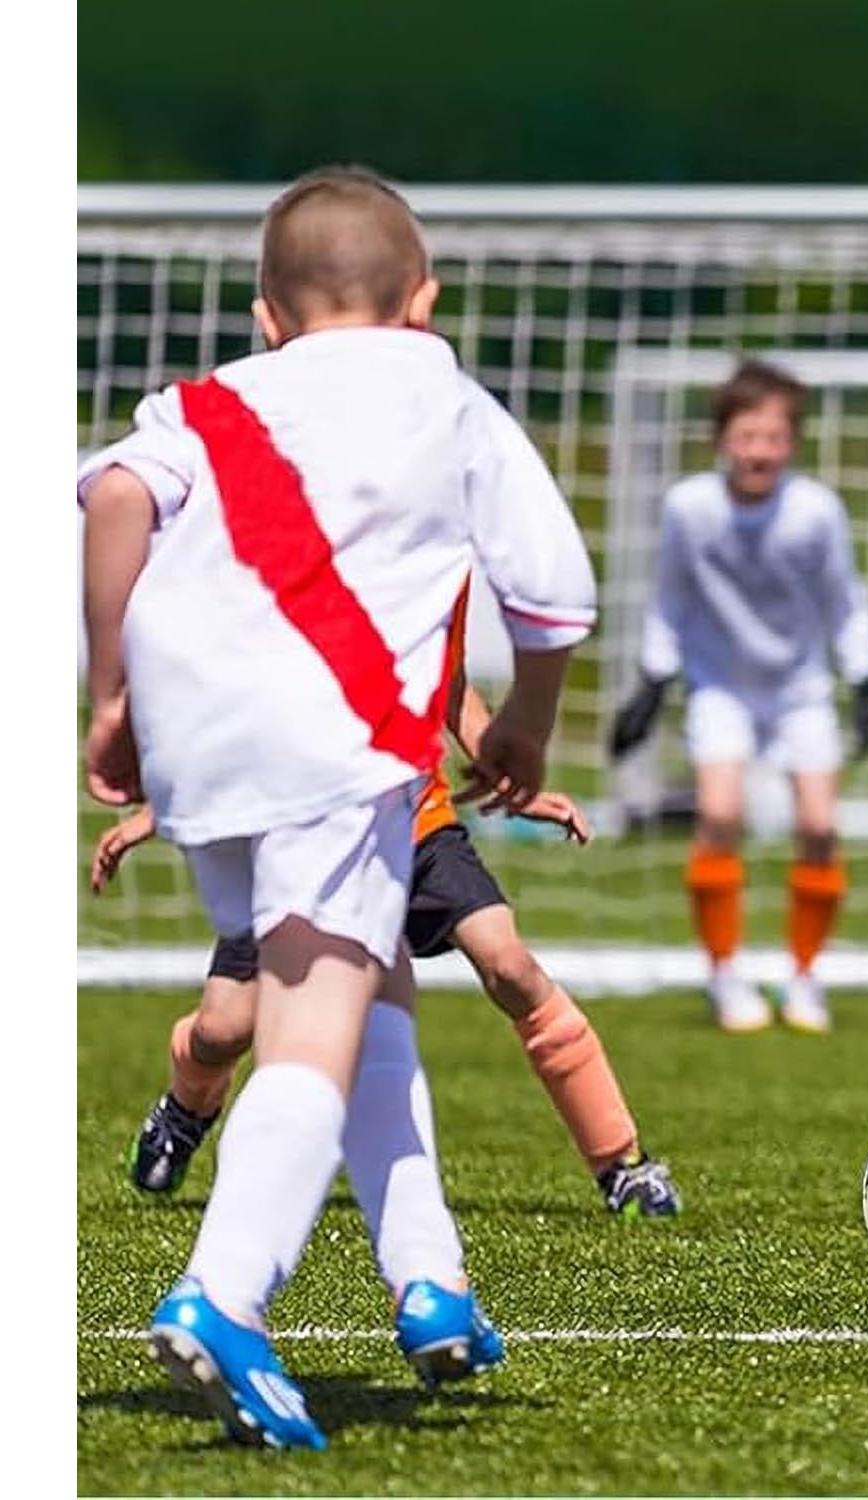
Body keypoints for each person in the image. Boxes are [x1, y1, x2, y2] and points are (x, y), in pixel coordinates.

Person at [80, 166, 597, 1449]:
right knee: (312, 1031)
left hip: (210, 748)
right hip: (345, 745)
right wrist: (525, 724)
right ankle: (223, 1295)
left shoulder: (203, 404)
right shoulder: (446, 395)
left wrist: (110, 696)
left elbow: (112, 500)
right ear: (422, 300)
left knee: (367, 1002)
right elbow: (550, 588)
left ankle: (432, 1282)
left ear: (267, 316)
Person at [97, 598, 680, 1219]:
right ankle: (187, 1108)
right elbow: (254, 700)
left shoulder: (444, 553)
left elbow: (447, 682)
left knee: (510, 965)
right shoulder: (304, 552)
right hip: (299, 825)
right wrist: (166, 805)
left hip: (415, 818)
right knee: (224, 1029)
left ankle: (621, 1164)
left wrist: (508, 773)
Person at [609, 359, 868, 1034]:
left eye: (773, 437)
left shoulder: (815, 512)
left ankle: (805, 977)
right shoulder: (690, 507)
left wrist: (864, 680)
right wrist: (651, 682)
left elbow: (845, 601)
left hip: (800, 688)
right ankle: (725, 973)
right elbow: (670, 599)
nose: (758, 450)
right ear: (721, 439)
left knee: (819, 827)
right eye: (745, 435)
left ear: (792, 443)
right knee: (719, 814)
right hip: (720, 684)